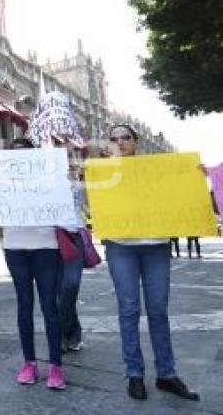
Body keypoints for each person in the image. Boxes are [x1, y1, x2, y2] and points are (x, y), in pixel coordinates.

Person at [102, 124, 199, 402]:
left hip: (156, 246)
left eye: (126, 138)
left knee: (158, 310)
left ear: (136, 141)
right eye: (114, 139)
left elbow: (178, 192)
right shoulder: (103, 173)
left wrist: (196, 177)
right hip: (121, 247)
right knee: (129, 309)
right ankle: (134, 374)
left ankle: (167, 374)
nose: (120, 143)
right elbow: (89, 203)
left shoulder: (155, 168)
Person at [3, 137, 66, 390]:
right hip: (15, 246)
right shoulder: (2, 182)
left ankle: (56, 366)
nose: (20, 156)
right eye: (15, 152)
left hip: (46, 246)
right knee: (24, 305)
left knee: (50, 305)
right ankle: (29, 362)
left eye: (25, 152)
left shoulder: (49, 180)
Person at [58, 153, 90, 354]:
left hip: (75, 236)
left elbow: (90, 207)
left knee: (71, 285)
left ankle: (63, 332)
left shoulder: (82, 185)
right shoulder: (44, 184)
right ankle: (69, 335)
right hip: (51, 237)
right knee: (56, 291)